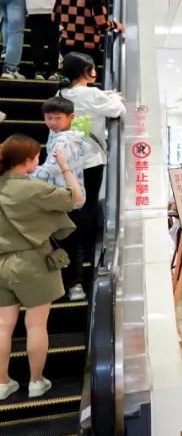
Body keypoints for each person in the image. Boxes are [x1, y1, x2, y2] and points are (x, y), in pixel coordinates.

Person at [0, 134, 82, 401]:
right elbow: (76, 197)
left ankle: (2, 383)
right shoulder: (33, 189)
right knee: (35, 324)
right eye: (37, 157)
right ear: (27, 161)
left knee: (3, 326)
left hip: (1, 262)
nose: (38, 160)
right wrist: (65, 167)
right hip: (32, 263)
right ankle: (36, 382)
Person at [57, 52, 124, 290]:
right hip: (91, 159)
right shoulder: (92, 94)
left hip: (67, 160)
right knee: (88, 206)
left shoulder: (61, 94)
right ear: (84, 71)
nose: (95, 71)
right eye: (91, 67)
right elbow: (118, 110)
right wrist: (113, 97)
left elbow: (89, 100)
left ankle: (72, 260)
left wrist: (105, 95)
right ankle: (85, 255)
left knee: (73, 205)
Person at [34, 96, 89, 301]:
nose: (52, 122)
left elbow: (51, 169)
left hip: (64, 199)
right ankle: (73, 284)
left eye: (57, 117)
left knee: (67, 243)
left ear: (71, 117)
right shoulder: (70, 135)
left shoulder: (63, 140)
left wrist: (22, 174)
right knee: (71, 242)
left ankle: (72, 284)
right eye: (48, 117)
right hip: (72, 196)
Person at [54, 0, 124, 69]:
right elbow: (101, 23)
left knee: (70, 75)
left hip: (66, 45)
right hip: (88, 47)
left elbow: (55, 17)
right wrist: (117, 25)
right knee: (85, 76)